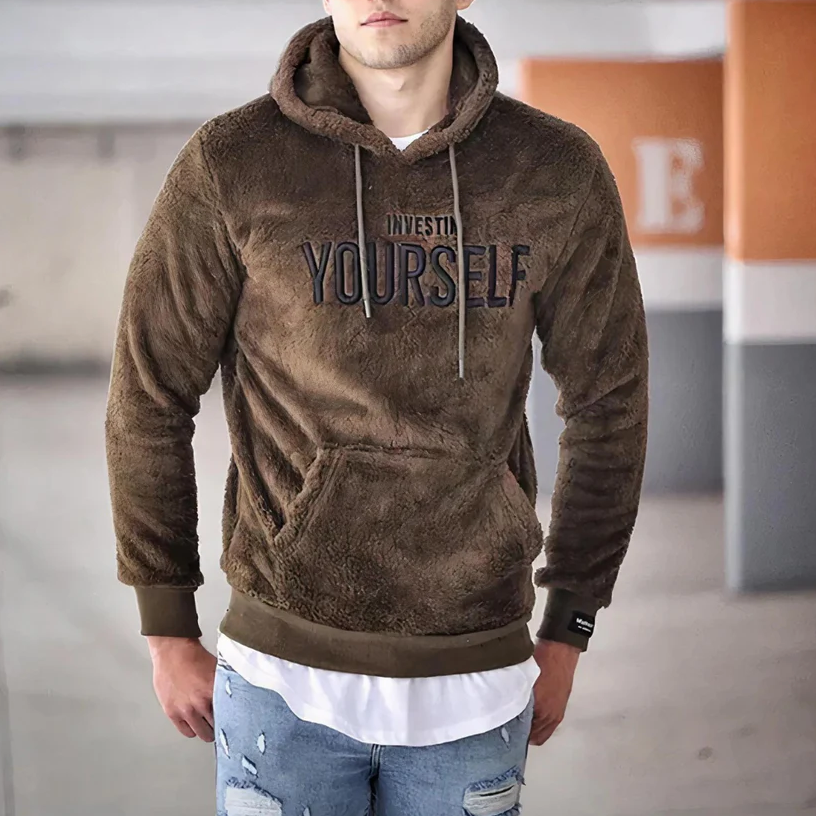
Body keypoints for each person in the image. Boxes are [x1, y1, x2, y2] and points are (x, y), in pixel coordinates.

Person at [104, 0, 649, 813]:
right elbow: (149, 393)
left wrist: (571, 623)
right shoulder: (232, 163)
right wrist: (166, 625)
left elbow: (609, 401)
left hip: (477, 678)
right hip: (281, 678)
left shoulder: (554, 171)